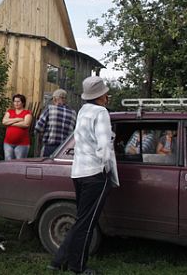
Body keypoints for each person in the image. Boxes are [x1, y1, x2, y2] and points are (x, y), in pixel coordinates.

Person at [48, 76, 119, 275]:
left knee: (82, 219)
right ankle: (77, 267)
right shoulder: (101, 112)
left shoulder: (83, 111)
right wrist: (105, 167)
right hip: (95, 173)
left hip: (79, 172)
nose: (107, 96)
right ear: (100, 96)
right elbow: (105, 144)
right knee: (87, 223)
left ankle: (58, 261)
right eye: (105, 93)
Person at [35, 89, 77, 157]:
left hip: (50, 147)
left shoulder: (50, 109)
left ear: (55, 99)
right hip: (66, 149)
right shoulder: (73, 113)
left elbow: (38, 127)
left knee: (47, 166)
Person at [2, 94, 33, 159]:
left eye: (18, 101)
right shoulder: (10, 111)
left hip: (22, 144)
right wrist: (17, 119)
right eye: (15, 101)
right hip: (8, 143)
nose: (16, 103)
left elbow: (26, 124)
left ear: (23, 102)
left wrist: (10, 123)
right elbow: (4, 122)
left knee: (19, 164)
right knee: (8, 163)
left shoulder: (27, 113)